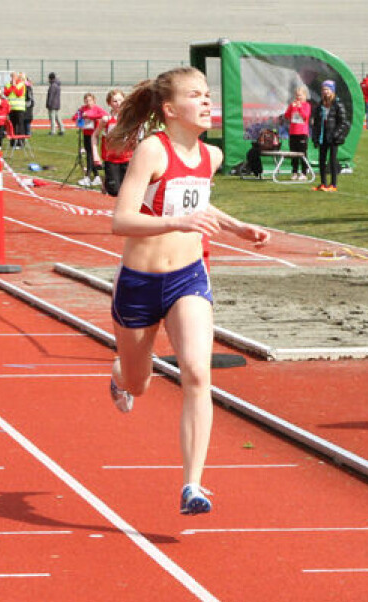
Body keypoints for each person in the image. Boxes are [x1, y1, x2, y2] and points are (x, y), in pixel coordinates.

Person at [105, 66, 270, 516]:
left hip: (188, 277)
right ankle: (120, 374)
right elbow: (121, 220)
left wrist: (238, 228)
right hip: (139, 282)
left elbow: (197, 199)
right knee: (139, 384)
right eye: (195, 95)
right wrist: (176, 222)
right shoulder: (151, 151)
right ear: (170, 108)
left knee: (197, 372)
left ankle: (193, 486)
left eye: (207, 94)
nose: (206, 101)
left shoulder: (210, 156)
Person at [311, 80, 350, 191]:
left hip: (333, 137)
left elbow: (343, 122)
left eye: (327, 89)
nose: (325, 92)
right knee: (321, 160)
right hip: (322, 136)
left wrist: (335, 134)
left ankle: (333, 184)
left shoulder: (338, 104)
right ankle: (323, 183)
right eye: (323, 89)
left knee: (332, 160)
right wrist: (315, 137)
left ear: (332, 91)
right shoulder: (320, 104)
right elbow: (316, 122)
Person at [99, 89, 132, 196]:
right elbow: (95, 136)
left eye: (120, 100)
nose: (118, 104)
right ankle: (107, 182)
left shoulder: (130, 118)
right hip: (112, 159)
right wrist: (96, 155)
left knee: (127, 190)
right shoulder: (106, 119)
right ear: (109, 103)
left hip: (128, 157)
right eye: (115, 101)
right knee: (115, 191)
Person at [73, 93, 107, 186]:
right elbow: (75, 117)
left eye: (90, 100)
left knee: (91, 155)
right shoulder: (82, 108)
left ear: (94, 100)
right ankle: (96, 176)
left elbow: (104, 115)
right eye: (86, 100)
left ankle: (88, 176)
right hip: (86, 134)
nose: (88, 102)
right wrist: (81, 116)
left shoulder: (97, 108)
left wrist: (90, 116)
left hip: (94, 134)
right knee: (90, 155)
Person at [283, 85, 311, 180]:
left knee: (302, 153)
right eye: (297, 95)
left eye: (300, 95)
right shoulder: (293, 105)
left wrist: (299, 108)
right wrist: (291, 107)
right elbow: (287, 116)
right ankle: (294, 172)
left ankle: (304, 172)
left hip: (302, 133)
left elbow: (305, 116)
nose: (298, 97)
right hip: (293, 133)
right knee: (293, 153)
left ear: (305, 96)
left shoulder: (307, 105)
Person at [5, 72, 26, 147]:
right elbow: (6, 93)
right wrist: (12, 86)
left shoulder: (21, 84)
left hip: (19, 108)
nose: (13, 78)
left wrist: (14, 86)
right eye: (11, 76)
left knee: (20, 125)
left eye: (14, 76)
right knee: (12, 126)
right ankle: (13, 142)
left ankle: (21, 143)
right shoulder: (8, 84)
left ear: (17, 77)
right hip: (11, 108)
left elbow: (19, 93)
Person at [22, 72, 35, 140]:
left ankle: (27, 133)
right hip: (28, 106)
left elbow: (29, 98)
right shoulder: (28, 87)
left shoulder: (27, 87)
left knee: (26, 120)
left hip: (27, 106)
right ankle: (27, 133)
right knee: (26, 120)